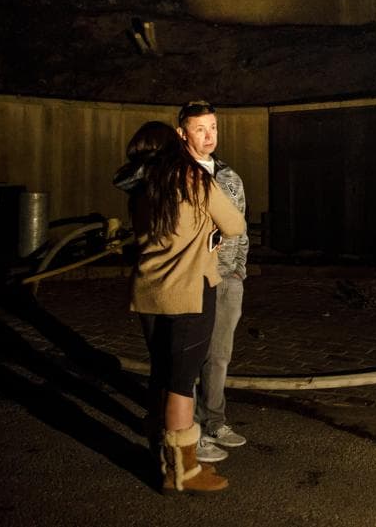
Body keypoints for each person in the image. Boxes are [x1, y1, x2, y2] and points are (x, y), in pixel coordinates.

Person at [113, 121, 245, 493]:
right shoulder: (195, 181)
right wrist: (211, 234)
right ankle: (183, 471)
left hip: (149, 293)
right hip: (189, 294)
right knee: (181, 383)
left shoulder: (140, 187)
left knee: (161, 373)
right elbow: (234, 224)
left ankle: (160, 454)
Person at [177, 100, 249, 463]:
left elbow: (241, 227)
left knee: (219, 356)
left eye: (213, 128)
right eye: (200, 129)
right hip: (193, 280)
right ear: (182, 133)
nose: (209, 136)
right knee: (189, 358)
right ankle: (188, 429)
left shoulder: (229, 177)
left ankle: (214, 421)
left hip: (227, 280)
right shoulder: (177, 175)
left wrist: (238, 271)